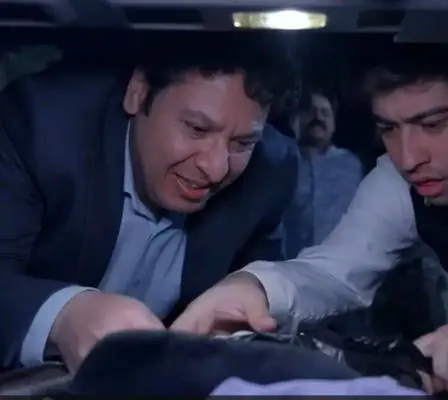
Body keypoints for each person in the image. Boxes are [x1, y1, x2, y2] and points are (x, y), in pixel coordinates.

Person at [170, 42, 448, 394]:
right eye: (389, 129)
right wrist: (254, 288)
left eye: (432, 124)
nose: (408, 158)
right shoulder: (397, 183)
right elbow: (337, 270)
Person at [0, 35, 299, 372]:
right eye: (197, 129)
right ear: (138, 92)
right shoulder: (38, 128)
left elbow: (263, 293)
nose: (216, 168)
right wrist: (62, 316)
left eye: (242, 143)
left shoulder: (270, 170)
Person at [283, 88, 363, 257]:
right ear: (293, 120)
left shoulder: (352, 165)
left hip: (340, 263)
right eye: (309, 111)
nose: (317, 117)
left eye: (325, 113)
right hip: (286, 264)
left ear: (334, 124)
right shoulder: (280, 161)